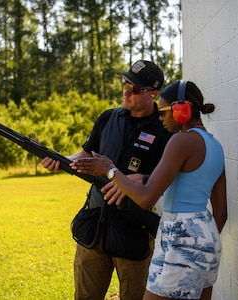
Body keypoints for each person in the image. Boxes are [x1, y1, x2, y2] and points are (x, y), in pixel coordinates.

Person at [70, 80, 227, 300]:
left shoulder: (180, 141)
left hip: (179, 235)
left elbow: (145, 198)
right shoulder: (215, 145)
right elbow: (221, 213)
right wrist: (199, 243)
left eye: (163, 111)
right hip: (207, 236)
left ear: (181, 110)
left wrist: (111, 170)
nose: (160, 118)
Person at [42, 60, 173, 300]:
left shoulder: (164, 129)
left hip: (134, 230)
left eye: (134, 89)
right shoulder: (107, 118)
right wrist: (58, 161)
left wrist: (141, 178)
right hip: (95, 226)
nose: (125, 91)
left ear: (153, 94)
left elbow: (169, 177)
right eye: (125, 83)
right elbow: (84, 156)